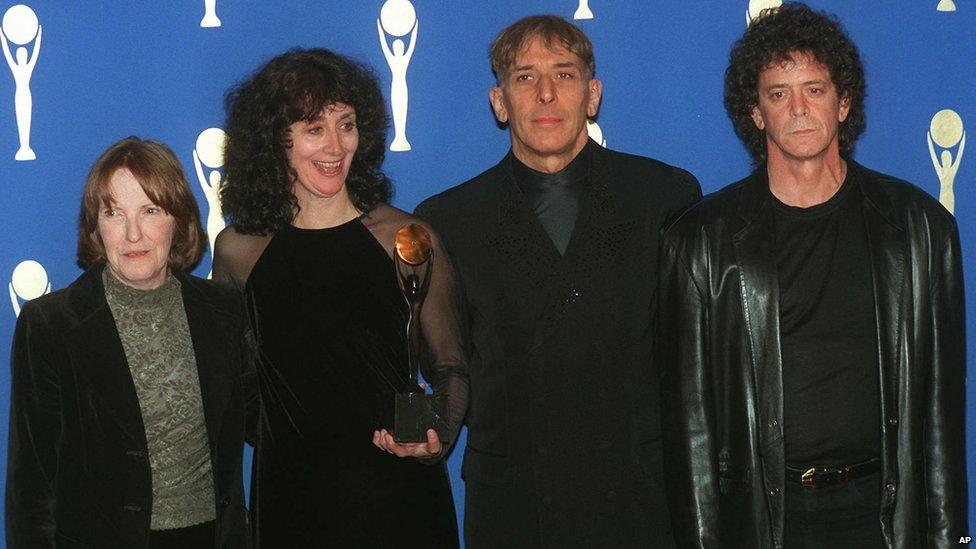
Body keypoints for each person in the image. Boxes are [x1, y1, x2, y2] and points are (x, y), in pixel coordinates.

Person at [658, 4, 967, 547]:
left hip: (886, 520)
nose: (799, 109)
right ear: (755, 112)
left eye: (815, 89)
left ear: (843, 102)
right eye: (778, 93)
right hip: (765, 522)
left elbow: (941, 423)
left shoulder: (921, 229)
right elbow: (691, 430)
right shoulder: (701, 241)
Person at [414, 15, 701, 548]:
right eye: (524, 77)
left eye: (564, 75)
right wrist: (431, 429)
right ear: (499, 102)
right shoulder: (448, 220)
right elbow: (449, 365)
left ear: (592, 95)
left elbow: (695, 360)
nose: (546, 94)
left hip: (639, 502)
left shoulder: (664, 198)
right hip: (514, 506)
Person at [213, 48, 467, 547]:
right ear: (275, 140)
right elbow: (230, 382)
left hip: (399, 501)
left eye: (346, 124)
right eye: (314, 128)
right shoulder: (240, 250)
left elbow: (452, 365)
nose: (334, 146)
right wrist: (281, 436)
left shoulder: (408, 239)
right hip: (291, 502)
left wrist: (434, 434)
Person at [6, 137, 253, 548]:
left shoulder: (222, 310)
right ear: (95, 226)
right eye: (114, 213)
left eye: (150, 210)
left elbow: (270, 419)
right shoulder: (49, 326)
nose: (133, 233)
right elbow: (31, 490)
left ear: (178, 219)